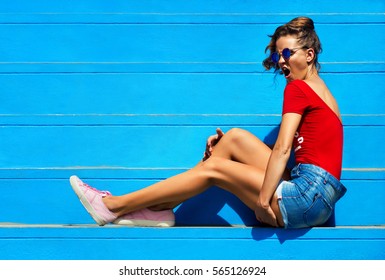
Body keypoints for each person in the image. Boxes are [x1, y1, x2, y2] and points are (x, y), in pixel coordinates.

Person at [70, 17, 347, 229]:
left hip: (305, 196)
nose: (280, 62)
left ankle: (113, 206)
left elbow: (284, 150)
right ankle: (158, 211)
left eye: (287, 54)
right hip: (318, 198)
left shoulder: (297, 89)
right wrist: (227, 145)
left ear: (309, 55)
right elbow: (303, 145)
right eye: (276, 56)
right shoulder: (323, 93)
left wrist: (263, 202)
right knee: (234, 138)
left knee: (215, 168)